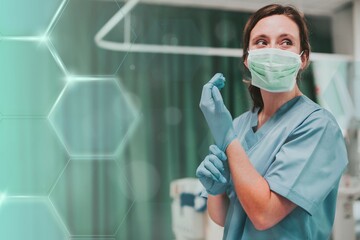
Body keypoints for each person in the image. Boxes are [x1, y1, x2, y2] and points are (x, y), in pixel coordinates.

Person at [196, 4, 348, 239]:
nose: (273, 50)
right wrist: (215, 191)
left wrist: (227, 140)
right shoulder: (238, 125)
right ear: (247, 59)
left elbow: (264, 215)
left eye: (286, 42)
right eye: (261, 42)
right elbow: (227, 217)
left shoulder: (318, 126)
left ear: (303, 58)